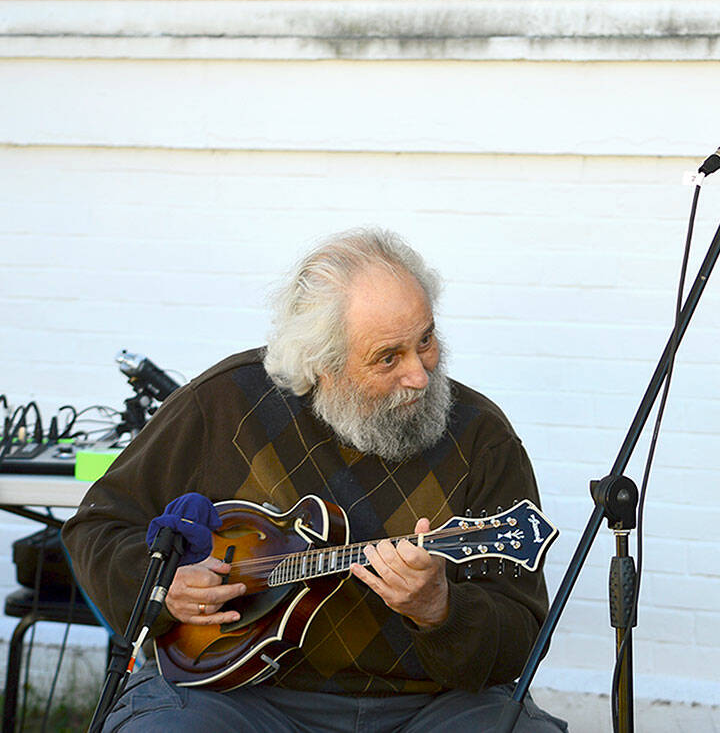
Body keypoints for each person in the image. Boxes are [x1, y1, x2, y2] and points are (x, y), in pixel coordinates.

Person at [63, 228, 566, 733]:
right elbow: (99, 524)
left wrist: (441, 609)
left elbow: (521, 632)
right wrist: (162, 587)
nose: (419, 374)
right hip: (237, 697)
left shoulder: (481, 437)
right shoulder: (225, 404)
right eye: (388, 357)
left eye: (426, 340)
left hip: (433, 706)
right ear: (321, 364)